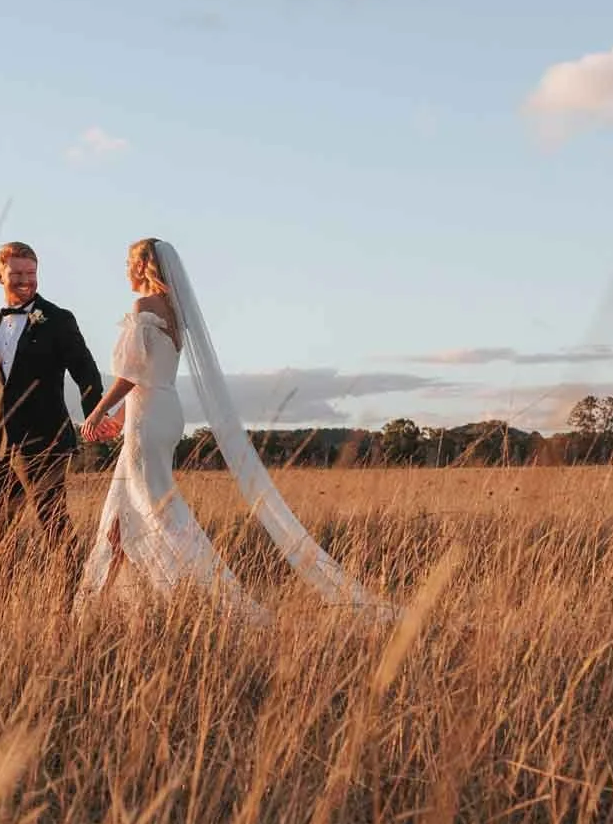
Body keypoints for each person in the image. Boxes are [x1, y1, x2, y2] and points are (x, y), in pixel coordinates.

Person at [77, 238, 390, 620]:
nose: (125, 270)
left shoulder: (144, 307)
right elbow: (153, 375)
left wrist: (96, 412)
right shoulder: (177, 313)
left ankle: (210, 593)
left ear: (143, 266)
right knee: (125, 508)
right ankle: (96, 604)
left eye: (129, 262)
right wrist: (120, 420)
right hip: (163, 410)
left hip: (149, 416)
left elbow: (131, 373)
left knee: (155, 509)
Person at [0, 241, 106, 588]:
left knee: (53, 523)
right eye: (17, 273)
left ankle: (71, 599)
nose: (25, 280)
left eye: (30, 273)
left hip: (47, 440)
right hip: (2, 443)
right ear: (0, 275)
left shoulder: (58, 319)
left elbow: (86, 371)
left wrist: (93, 415)